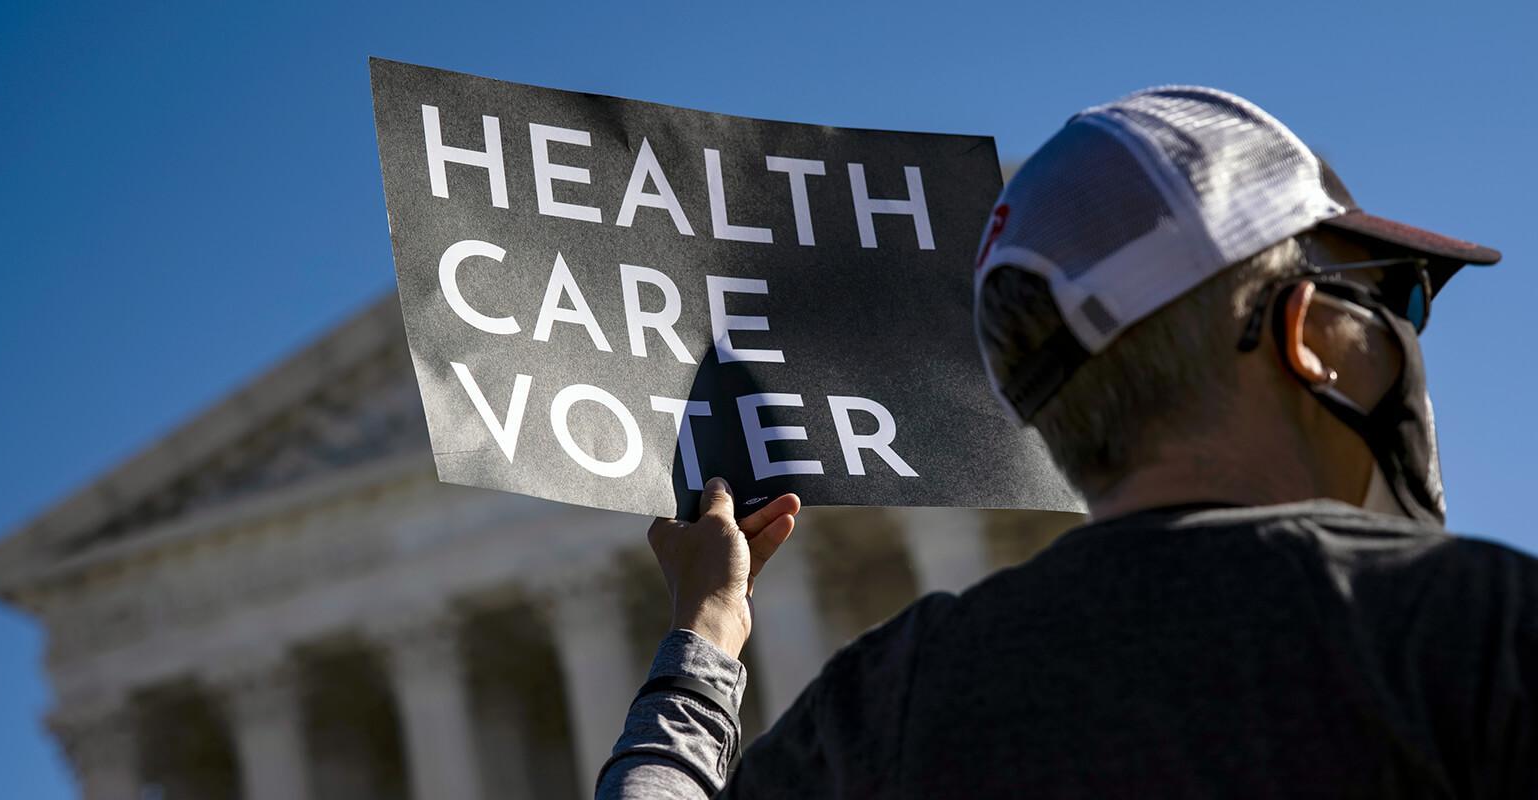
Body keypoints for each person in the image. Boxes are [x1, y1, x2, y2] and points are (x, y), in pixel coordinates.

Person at [595, 86, 1534, 798]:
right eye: (1394, 296)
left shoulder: (890, 703)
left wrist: (705, 633)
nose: (1408, 342)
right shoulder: (1473, 631)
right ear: (1305, 334)